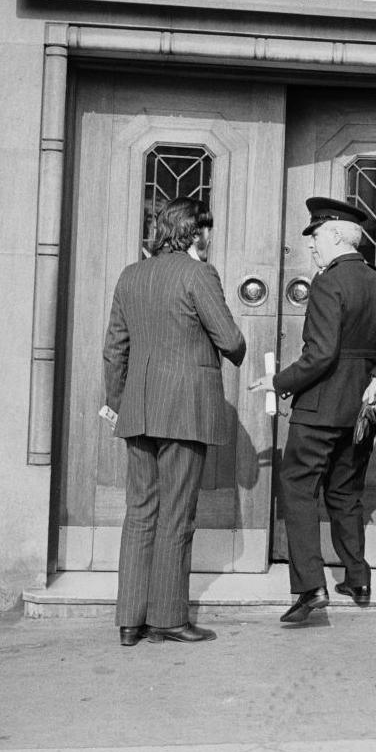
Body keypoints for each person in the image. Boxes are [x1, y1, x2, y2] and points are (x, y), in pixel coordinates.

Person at [250, 196, 376, 624]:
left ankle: (310, 587)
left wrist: (279, 382)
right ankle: (357, 577)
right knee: (345, 490)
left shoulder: (328, 283)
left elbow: (320, 355)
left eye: (316, 236)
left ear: (338, 235)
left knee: (299, 488)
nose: (312, 245)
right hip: (363, 409)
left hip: (321, 405)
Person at [103, 197, 246, 647]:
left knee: (140, 512)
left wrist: (119, 402)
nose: (210, 238)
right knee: (177, 514)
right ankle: (168, 617)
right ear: (194, 233)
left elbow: (114, 350)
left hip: (139, 409)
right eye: (207, 230)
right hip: (185, 410)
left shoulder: (131, 275)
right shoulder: (197, 272)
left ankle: (130, 620)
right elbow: (231, 340)